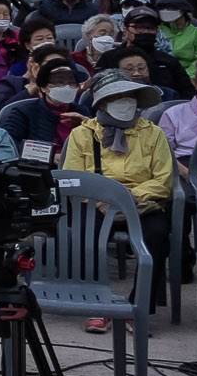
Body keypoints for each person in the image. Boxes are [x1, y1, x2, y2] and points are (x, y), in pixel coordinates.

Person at [62, 73, 173, 314]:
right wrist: (103, 199)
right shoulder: (82, 134)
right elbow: (73, 180)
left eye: (130, 97)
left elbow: (163, 180)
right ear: (102, 103)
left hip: (141, 202)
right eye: (117, 97)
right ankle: (93, 303)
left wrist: (130, 196)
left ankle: (140, 306)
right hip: (95, 203)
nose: (126, 102)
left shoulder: (153, 133)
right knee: (84, 236)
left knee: (158, 237)